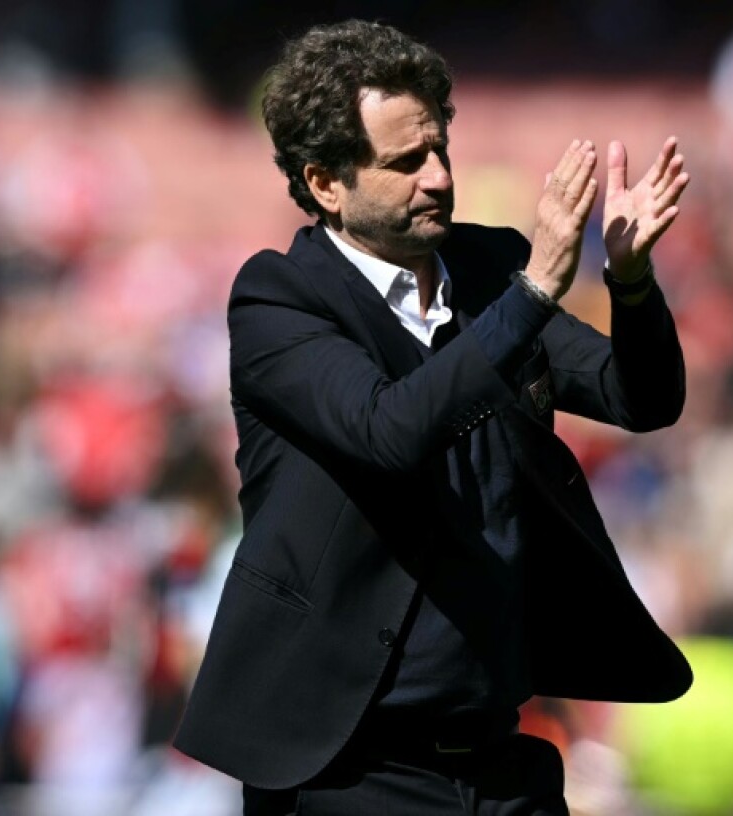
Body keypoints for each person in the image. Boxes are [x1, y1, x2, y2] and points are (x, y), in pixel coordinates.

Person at [173, 19, 693, 815]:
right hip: (347, 771)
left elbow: (640, 398)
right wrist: (530, 296)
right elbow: (390, 432)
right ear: (325, 183)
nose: (440, 177)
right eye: (406, 161)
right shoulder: (279, 299)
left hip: (499, 757)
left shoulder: (490, 270)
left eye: (441, 148)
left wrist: (628, 282)